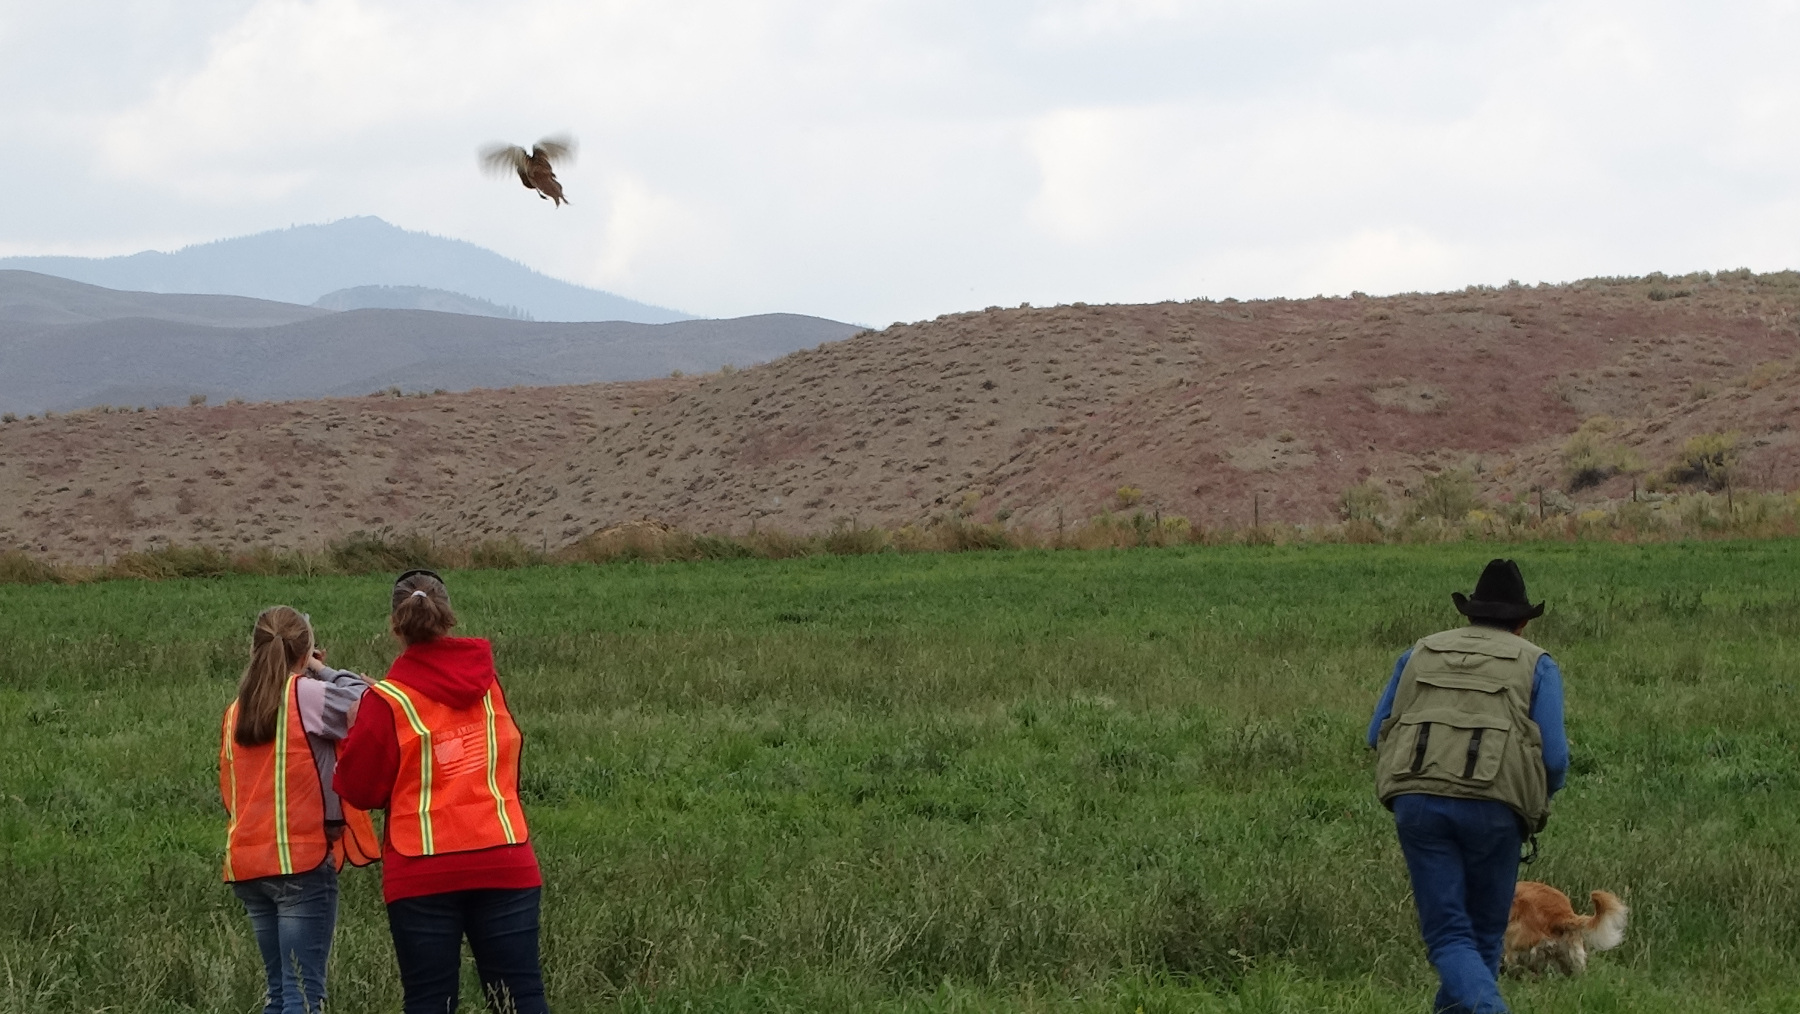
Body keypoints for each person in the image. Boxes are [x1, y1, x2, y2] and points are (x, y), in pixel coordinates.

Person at [334, 569, 549, 1014]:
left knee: (430, 1000)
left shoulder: (387, 701)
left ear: (395, 626)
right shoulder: (489, 686)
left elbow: (360, 790)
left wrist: (358, 727)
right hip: (505, 854)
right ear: (449, 617)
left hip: (421, 869)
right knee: (520, 998)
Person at [1368, 559, 1569, 1014]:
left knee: (1451, 936)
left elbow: (1375, 732)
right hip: (1497, 809)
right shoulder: (1537, 663)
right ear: (1522, 622)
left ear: (1470, 614)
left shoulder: (1418, 653)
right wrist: (1538, 801)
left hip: (1417, 804)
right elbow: (1555, 760)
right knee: (1473, 936)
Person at [220, 606, 380, 1014]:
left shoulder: (236, 710)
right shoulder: (305, 694)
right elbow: (371, 704)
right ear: (304, 651)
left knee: (278, 993)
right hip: (299, 862)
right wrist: (322, 671)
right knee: (303, 996)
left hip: (248, 865)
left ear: (254, 649)